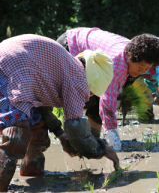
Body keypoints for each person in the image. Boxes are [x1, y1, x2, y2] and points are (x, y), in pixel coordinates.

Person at [0, 34, 119, 191]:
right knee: (17, 136)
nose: (87, 97)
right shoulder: (78, 79)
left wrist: (61, 136)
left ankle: (32, 172)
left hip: (15, 69)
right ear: (91, 84)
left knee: (38, 128)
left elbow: (43, 109)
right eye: (91, 94)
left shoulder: (66, 67)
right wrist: (102, 148)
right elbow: (76, 129)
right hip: (10, 72)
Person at [57, 28, 159, 151]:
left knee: (100, 93)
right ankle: (72, 140)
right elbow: (107, 104)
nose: (142, 71)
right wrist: (114, 140)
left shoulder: (138, 54)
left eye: (146, 68)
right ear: (129, 56)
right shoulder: (117, 64)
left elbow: (153, 79)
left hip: (92, 51)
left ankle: (93, 137)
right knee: (81, 95)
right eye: (140, 67)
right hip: (70, 45)